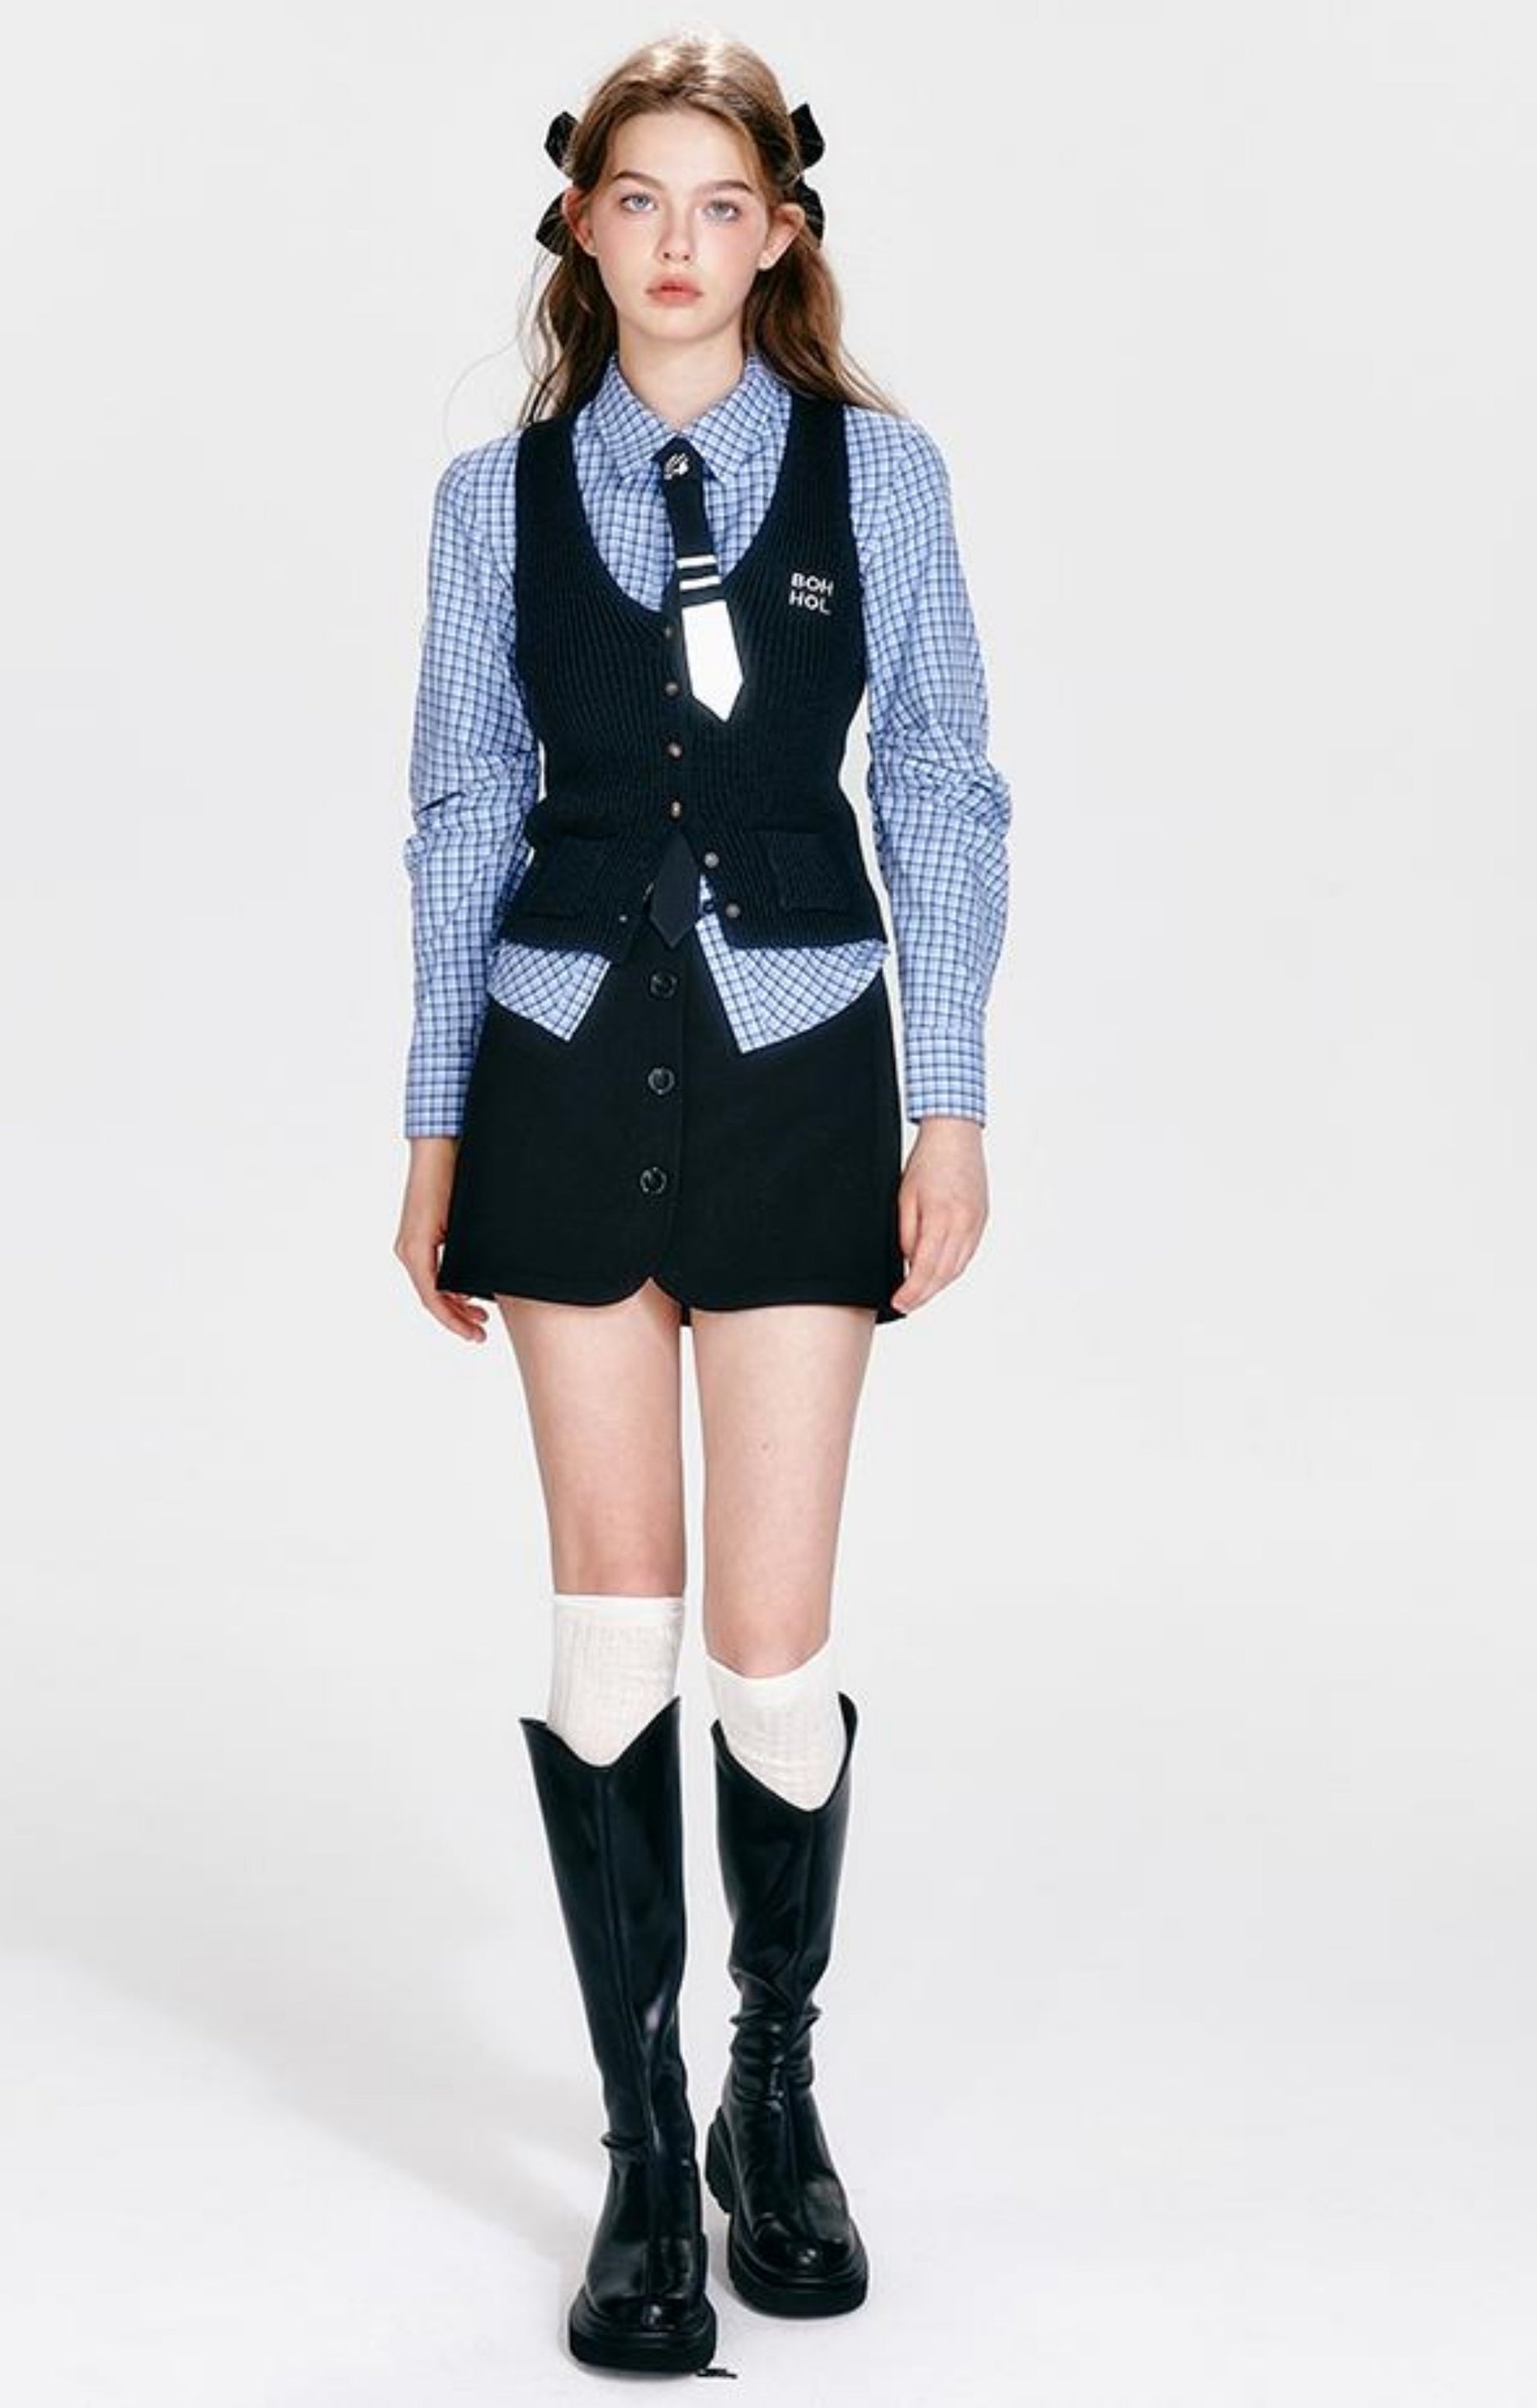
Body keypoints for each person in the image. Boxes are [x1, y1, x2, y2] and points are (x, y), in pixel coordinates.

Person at [393, 31, 1012, 2378]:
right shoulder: (492, 499)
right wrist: (435, 1130)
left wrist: (946, 1105)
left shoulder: (881, 475)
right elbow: (463, 805)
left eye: (717, 203)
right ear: (583, 226)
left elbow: (939, 778)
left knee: (768, 1647)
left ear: (779, 232)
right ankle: (644, 2146)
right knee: (610, 1637)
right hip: (557, 1067)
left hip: (796, 1063)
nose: (675, 241)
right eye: (635, 200)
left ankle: (773, 2086)